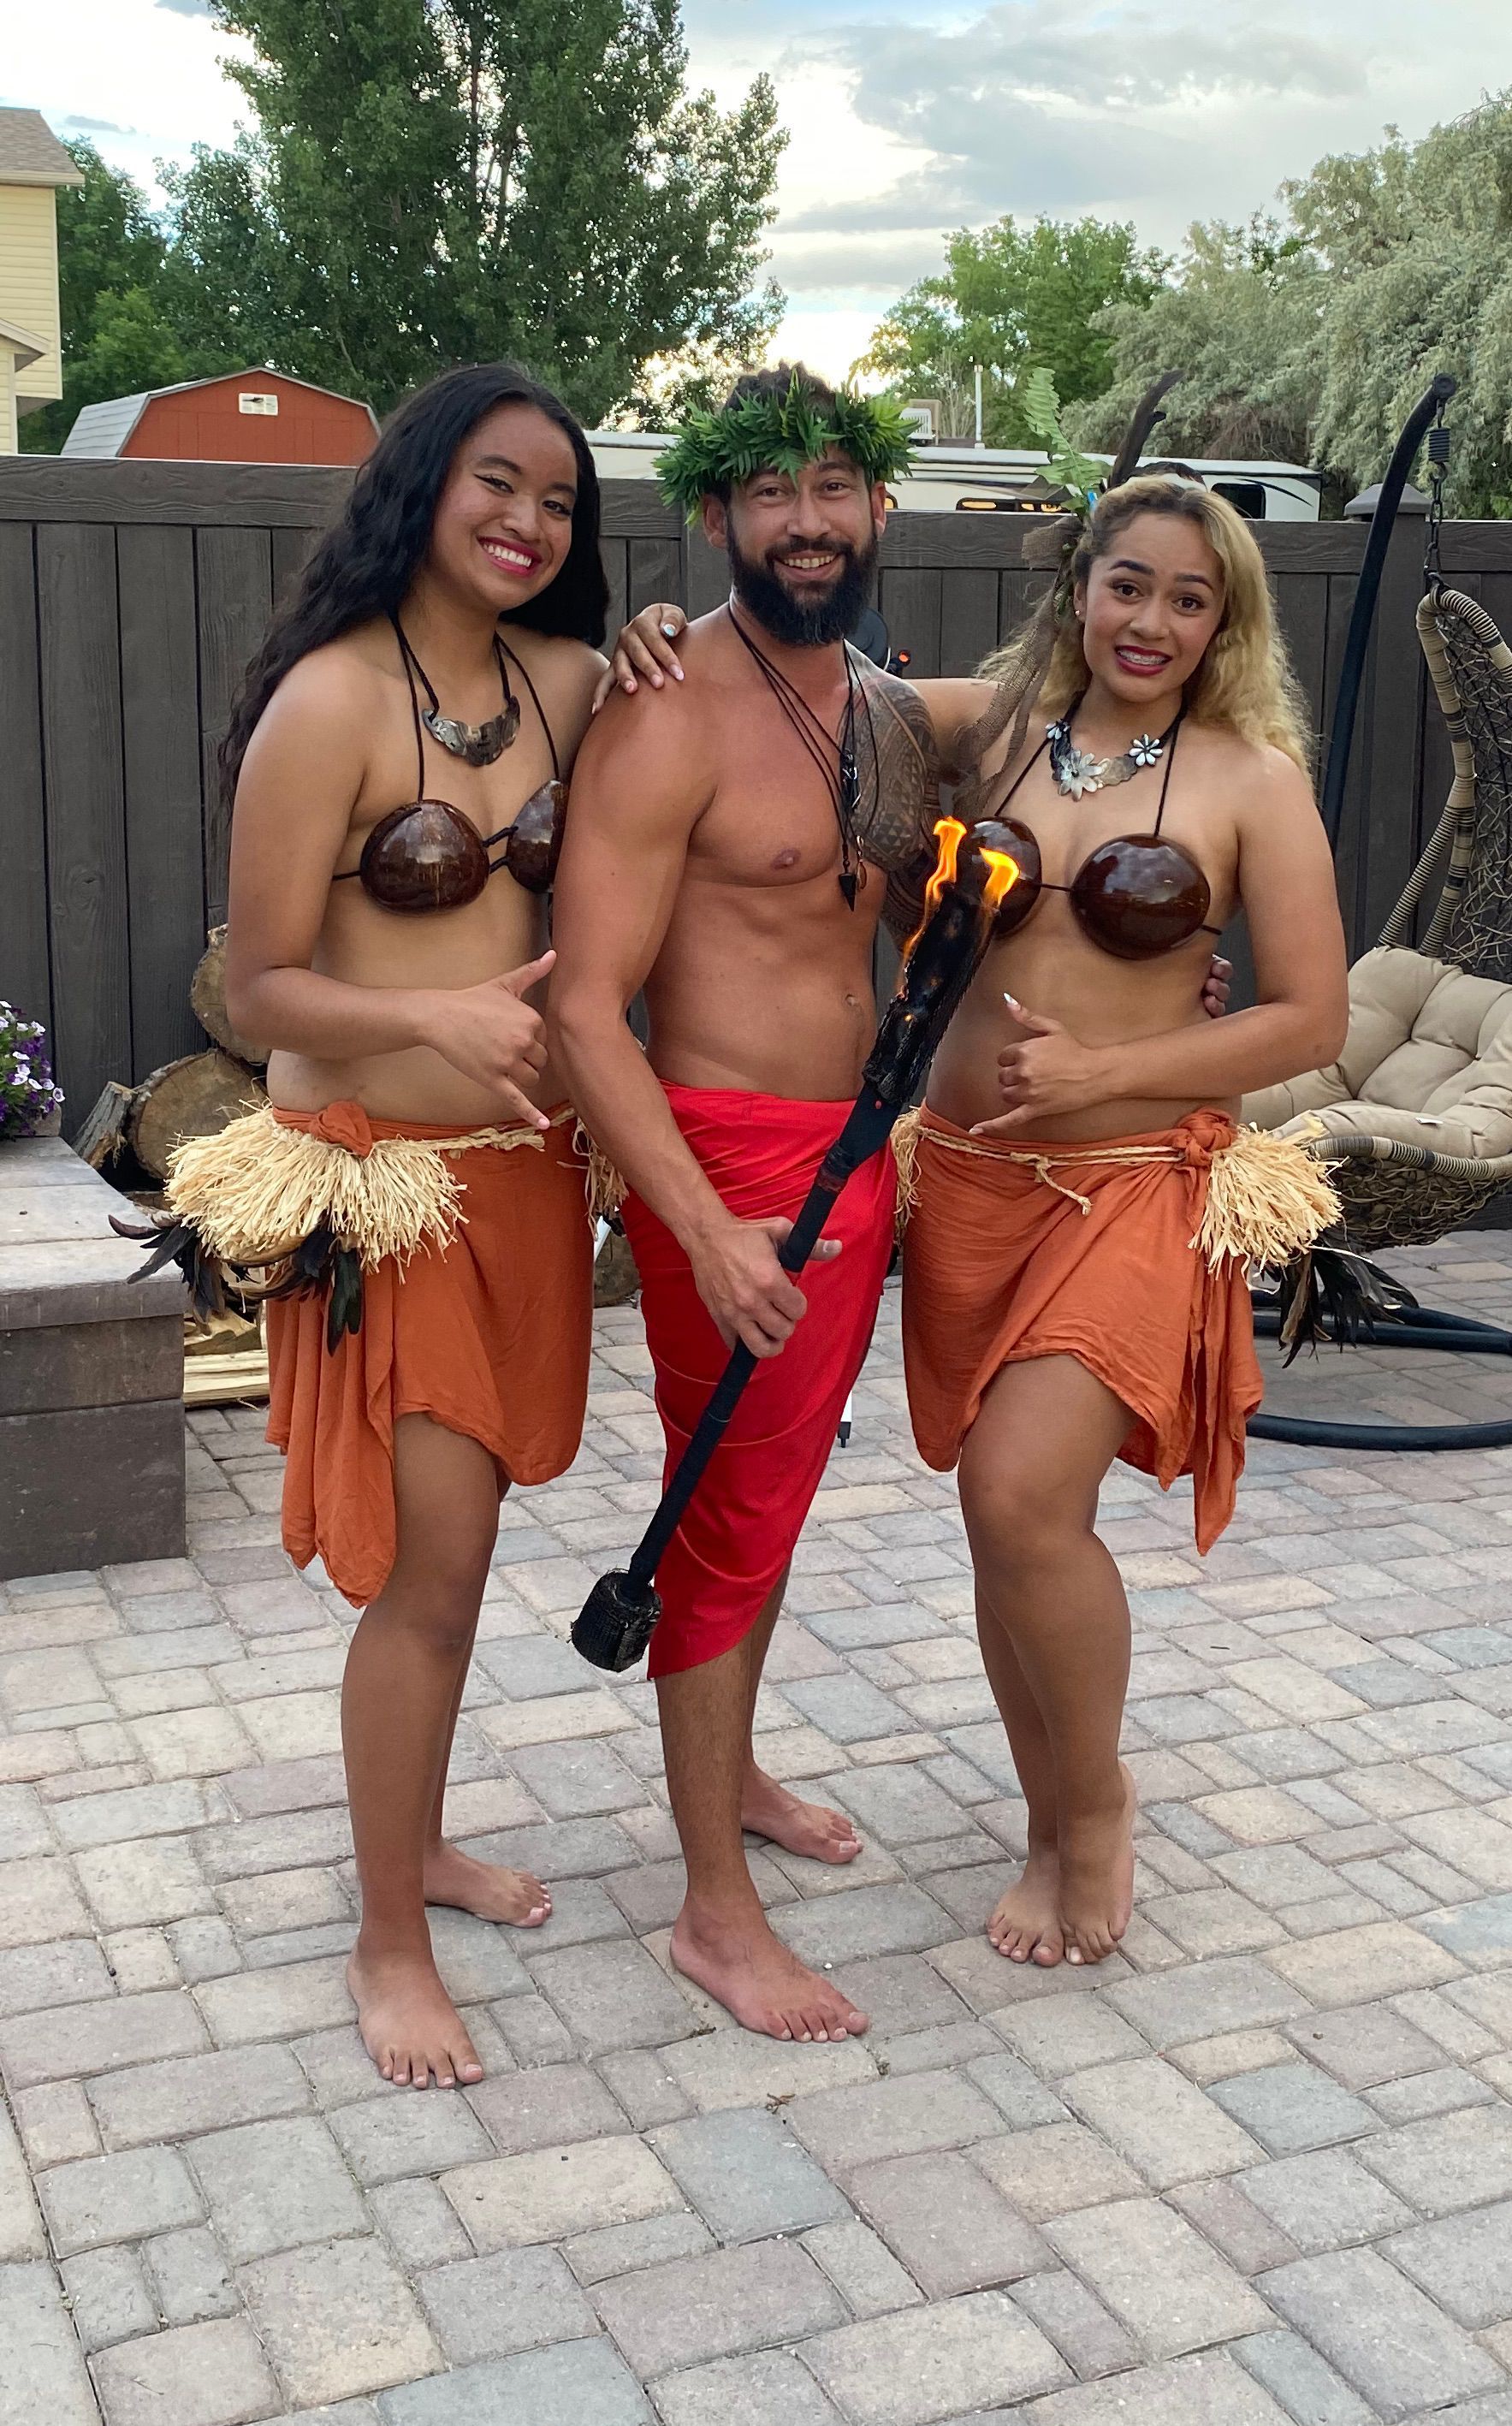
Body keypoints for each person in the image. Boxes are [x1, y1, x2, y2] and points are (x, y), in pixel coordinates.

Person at [608, 472, 1344, 1976]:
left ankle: (1097, 1807)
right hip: (964, 1183)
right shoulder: (990, 729)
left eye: (1190, 600)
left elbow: (1312, 1018)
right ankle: (1044, 1818)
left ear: (1227, 624)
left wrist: (1112, 1067)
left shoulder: (1250, 780)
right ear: (1079, 589)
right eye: (1127, 584)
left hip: (1129, 1182)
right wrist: (654, 633)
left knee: (1019, 1498)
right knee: (1000, 1525)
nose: (1151, 622)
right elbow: (805, 680)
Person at [188, 365, 608, 2089]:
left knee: (467, 1552)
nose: (527, 522)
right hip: (388, 1188)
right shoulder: (332, 701)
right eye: (496, 482)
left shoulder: (569, 683)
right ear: (423, 483)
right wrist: (431, 1018)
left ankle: (415, 1842)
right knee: (430, 1573)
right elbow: (259, 982)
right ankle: (387, 1938)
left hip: (529, 1181)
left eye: (560, 502)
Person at [549, 365, 939, 2044]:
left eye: (833, 485)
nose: (805, 520)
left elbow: (959, 882)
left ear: (878, 506)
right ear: (714, 512)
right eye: (769, 491)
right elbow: (585, 1008)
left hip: (851, 1156)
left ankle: (741, 1777)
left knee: (762, 1502)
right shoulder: (667, 708)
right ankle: (713, 1911)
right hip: (730, 1170)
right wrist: (702, 1227)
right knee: (719, 1517)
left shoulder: (892, 708)